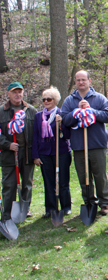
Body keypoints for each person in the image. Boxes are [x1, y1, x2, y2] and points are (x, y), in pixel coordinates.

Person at [61, 70, 108, 216]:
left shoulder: (99, 98)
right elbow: (65, 119)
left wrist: (91, 111)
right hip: (78, 145)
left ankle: (104, 203)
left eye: (83, 79)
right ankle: (89, 201)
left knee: (99, 175)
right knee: (84, 176)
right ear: (75, 82)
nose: (81, 82)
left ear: (90, 81)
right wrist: (76, 112)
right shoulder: (69, 101)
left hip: (97, 144)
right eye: (78, 80)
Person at [32, 87, 72, 218]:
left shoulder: (62, 114)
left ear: (55, 100)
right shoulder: (38, 117)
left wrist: (60, 125)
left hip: (61, 152)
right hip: (45, 153)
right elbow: (36, 136)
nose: (46, 102)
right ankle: (50, 208)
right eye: (44, 99)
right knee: (49, 182)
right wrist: (36, 155)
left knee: (62, 181)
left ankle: (66, 207)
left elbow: (67, 135)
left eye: (48, 99)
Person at [0, 82, 37, 219]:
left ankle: (24, 209)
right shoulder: (1, 111)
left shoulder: (31, 110)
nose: (18, 94)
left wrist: (36, 153)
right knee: (9, 185)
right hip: (9, 154)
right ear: (8, 94)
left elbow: (36, 133)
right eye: (14, 92)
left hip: (27, 153)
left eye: (20, 91)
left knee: (26, 183)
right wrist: (7, 144)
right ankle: (8, 212)